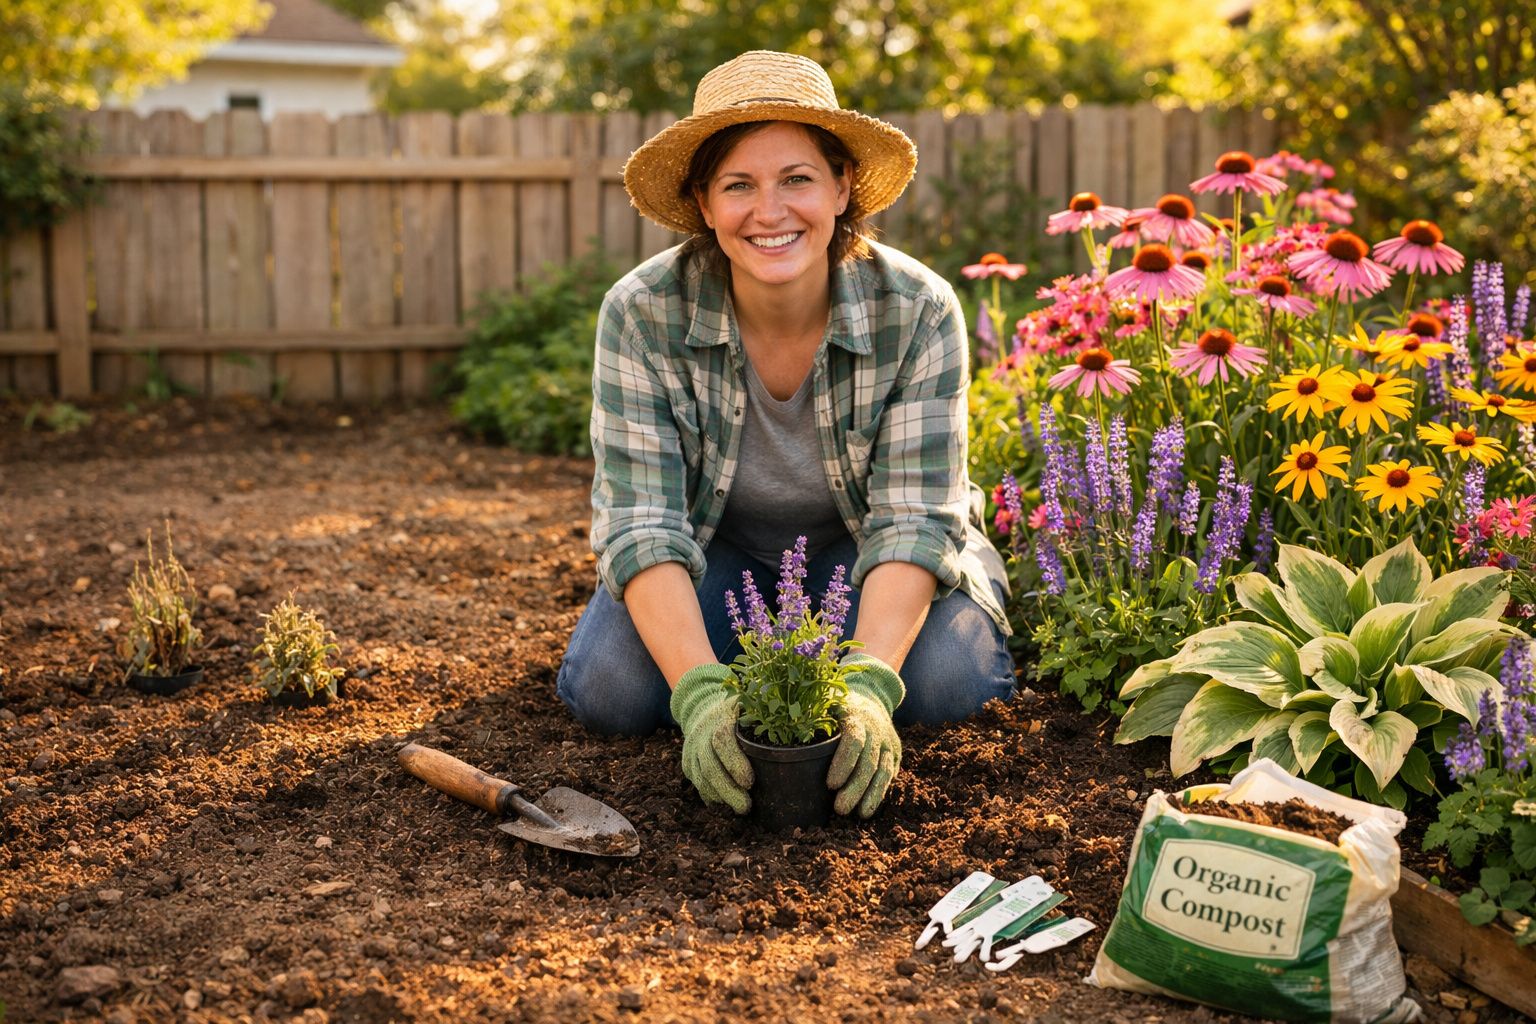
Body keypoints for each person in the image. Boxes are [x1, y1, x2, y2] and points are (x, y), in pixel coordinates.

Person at [556, 50, 1014, 819]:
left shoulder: (919, 310)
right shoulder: (641, 314)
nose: (770, 211)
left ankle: (811, 666)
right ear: (704, 202)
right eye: (739, 184)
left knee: (947, 688)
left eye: (796, 178)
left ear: (841, 187)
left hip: (863, 552)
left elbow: (912, 520)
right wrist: (700, 695)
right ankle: (744, 668)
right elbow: (643, 523)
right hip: (718, 553)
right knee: (611, 689)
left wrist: (868, 684)